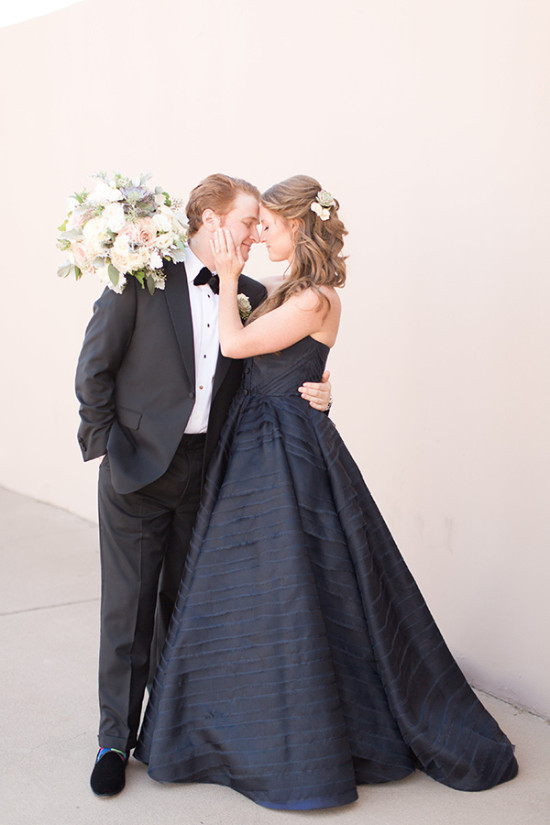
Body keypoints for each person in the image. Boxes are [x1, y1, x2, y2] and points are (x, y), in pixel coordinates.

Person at [135, 175, 518, 810]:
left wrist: (228, 276)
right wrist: (315, 385)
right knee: (252, 587)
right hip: (258, 439)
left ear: (299, 227)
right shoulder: (289, 291)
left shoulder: (314, 297)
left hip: (284, 452)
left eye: (269, 225)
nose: (258, 234)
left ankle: (304, 734)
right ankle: (224, 728)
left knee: (299, 585)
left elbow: (234, 344)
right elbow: (267, 364)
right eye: (255, 225)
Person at [75, 173, 332, 798]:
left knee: (186, 609)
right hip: (138, 470)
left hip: (212, 473)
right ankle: (114, 737)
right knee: (128, 613)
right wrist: (105, 446)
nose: (253, 235)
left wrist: (319, 392)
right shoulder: (142, 277)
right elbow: (95, 367)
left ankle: (168, 730)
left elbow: (274, 368)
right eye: (247, 223)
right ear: (211, 220)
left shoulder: (245, 293)